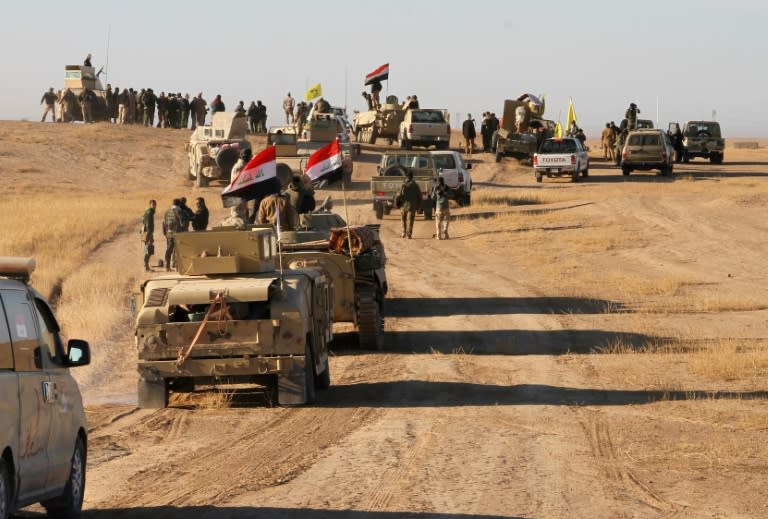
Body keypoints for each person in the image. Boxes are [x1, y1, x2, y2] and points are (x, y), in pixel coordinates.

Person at [396, 170, 422, 239]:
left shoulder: (403, 185)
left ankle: (403, 232)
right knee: (411, 220)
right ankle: (409, 234)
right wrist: (419, 206)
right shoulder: (416, 185)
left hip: (403, 205)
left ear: (406, 177)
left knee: (403, 219)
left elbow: (399, 195)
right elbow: (419, 196)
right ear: (412, 177)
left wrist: (396, 203)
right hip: (412, 206)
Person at [162, 199, 183, 271]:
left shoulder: (167, 212)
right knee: (178, 250)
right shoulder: (179, 212)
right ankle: (177, 266)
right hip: (178, 234)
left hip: (169, 233)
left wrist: (165, 233)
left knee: (169, 249)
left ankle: (167, 266)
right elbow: (182, 224)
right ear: (179, 204)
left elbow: (164, 223)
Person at [141, 200, 157, 271]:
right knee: (149, 249)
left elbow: (142, 219)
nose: (154, 206)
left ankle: (146, 266)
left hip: (145, 232)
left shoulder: (146, 211)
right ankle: (146, 267)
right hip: (148, 233)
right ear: (150, 205)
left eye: (154, 204)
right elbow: (149, 224)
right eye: (152, 204)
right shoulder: (150, 212)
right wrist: (150, 235)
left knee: (147, 249)